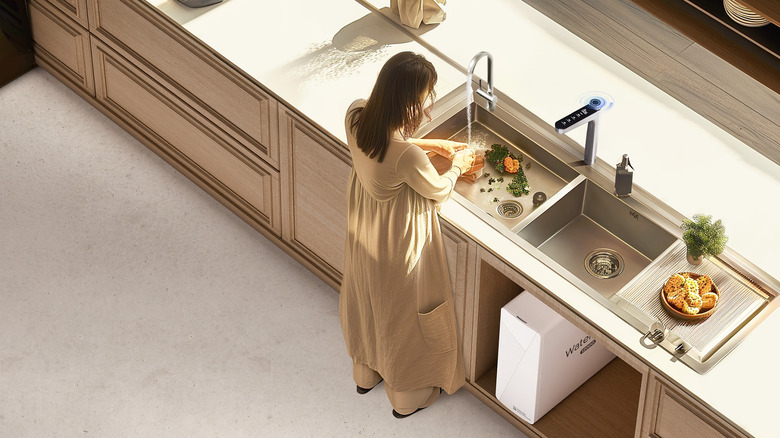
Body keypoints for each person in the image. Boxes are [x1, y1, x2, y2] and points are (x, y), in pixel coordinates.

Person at [339, 51, 473, 419]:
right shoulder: (407, 157)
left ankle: (366, 373)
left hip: (363, 229)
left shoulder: (355, 115)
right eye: (423, 100)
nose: (427, 109)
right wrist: (457, 165)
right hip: (397, 242)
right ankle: (405, 395)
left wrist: (431, 145)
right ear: (408, 102)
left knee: (367, 300)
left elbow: (390, 145)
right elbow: (438, 190)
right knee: (403, 316)